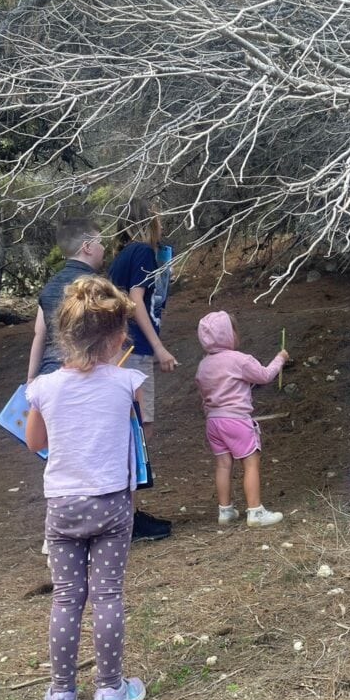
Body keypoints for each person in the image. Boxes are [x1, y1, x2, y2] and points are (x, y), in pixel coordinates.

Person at [25, 276, 148, 700]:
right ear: (118, 338)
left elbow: (33, 439)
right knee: (108, 594)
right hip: (112, 503)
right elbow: (131, 425)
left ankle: (60, 695)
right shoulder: (127, 380)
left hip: (62, 505)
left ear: (63, 334)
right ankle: (111, 690)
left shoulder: (43, 387)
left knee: (66, 597)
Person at [107, 200, 177, 541]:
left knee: (132, 429)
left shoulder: (123, 255)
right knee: (139, 429)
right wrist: (159, 347)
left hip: (125, 348)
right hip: (134, 350)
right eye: (157, 218)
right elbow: (135, 301)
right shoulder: (142, 252)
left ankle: (125, 512)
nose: (162, 224)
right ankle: (125, 517)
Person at [195, 310, 289, 527]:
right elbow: (264, 375)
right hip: (236, 419)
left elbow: (203, 393)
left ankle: (225, 511)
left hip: (213, 421)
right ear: (229, 334)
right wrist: (280, 358)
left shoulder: (203, 365)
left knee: (223, 465)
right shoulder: (238, 359)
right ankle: (255, 512)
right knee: (251, 463)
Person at [27, 218, 104, 382]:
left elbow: (39, 334)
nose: (104, 248)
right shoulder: (98, 287)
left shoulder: (48, 287)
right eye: (100, 242)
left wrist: (31, 378)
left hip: (49, 375)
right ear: (87, 247)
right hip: (87, 374)